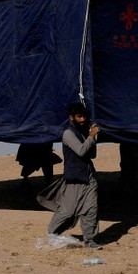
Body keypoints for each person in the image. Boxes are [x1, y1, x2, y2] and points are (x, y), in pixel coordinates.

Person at [37, 102, 102, 249]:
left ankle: (90, 240)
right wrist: (91, 137)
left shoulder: (83, 133)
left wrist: (93, 137)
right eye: (79, 116)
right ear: (71, 117)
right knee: (68, 211)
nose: (83, 119)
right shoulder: (68, 134)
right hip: (75, 179)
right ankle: (52, 233)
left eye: (84, 116)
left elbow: (92, 154)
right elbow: (81, 151)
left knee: (91, 210)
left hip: (89, 178)